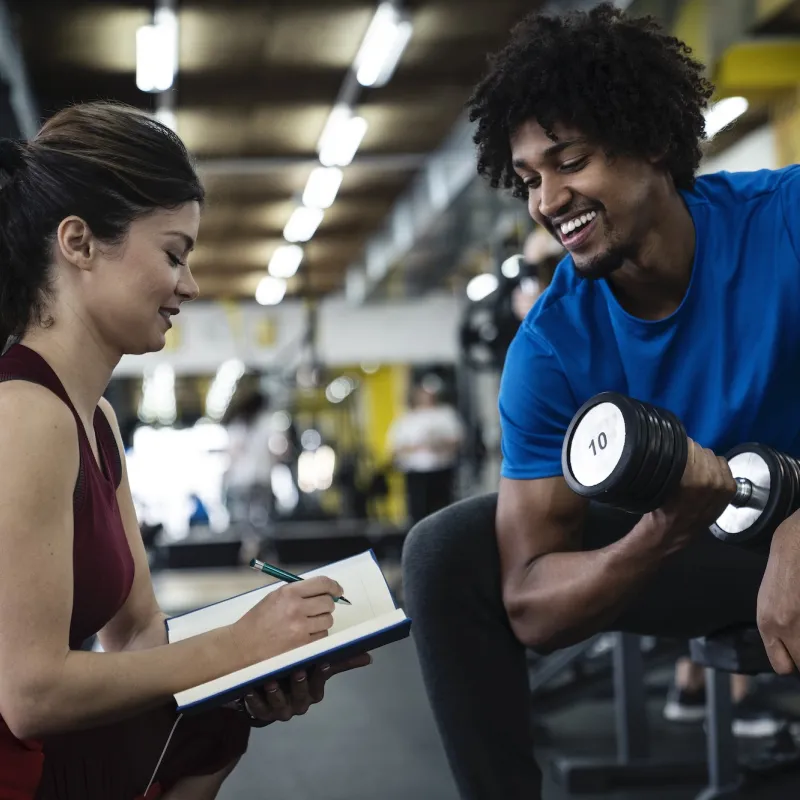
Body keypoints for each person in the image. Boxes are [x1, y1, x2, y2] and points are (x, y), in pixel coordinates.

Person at [401, 4, 800, 799]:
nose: (548, 199)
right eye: (529, 180)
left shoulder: (785, 221)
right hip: (710, 547)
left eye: (569, 161)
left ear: (649, 138)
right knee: (446, 553)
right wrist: (658, 532)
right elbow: (531, 603)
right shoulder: (550, 348)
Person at [0, 101, 369, 800]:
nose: (190, 286)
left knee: (215, 720)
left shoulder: (95, 420)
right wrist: (239, 645)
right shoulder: (23, 414)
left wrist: (254, 670)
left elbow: (137, 633)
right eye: (173, 254)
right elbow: (29, 694)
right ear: (77, 243)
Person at [388, 374, 464, 524]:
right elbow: (395, 447)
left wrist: (438, 444)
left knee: (443, 509)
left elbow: (458, 440)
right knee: (418, 512)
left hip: (441, 469)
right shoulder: (407, 419)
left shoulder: (446, 414)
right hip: (416, 473)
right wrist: (418, 447)